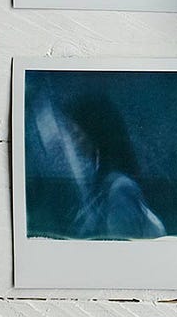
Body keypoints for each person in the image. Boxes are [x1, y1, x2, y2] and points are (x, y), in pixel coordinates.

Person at [30, 90, 168, 240]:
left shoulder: (120, 189)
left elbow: (120, 246)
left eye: (76, 134)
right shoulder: (99, 184)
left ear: (94, 134)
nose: (72, 143)